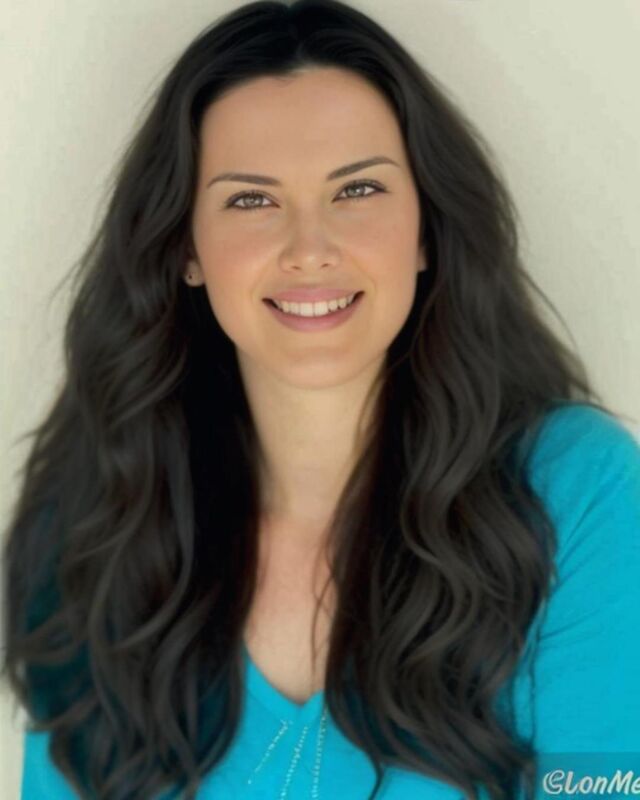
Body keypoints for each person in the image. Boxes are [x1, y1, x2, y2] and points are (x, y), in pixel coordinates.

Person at [3, 1, 640, 798]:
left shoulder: (577, 492)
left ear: (426, 230)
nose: (310, 249)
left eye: (358, 189)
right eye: (251, 200)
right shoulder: (91, 527)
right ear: (186, 248)